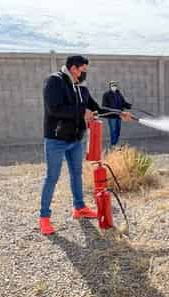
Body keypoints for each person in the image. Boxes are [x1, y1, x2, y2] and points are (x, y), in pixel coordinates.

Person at [40, 55, 133, 235]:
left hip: (75, 139)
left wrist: (119, 113)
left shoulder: (81, 88)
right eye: (83, 70)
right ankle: (44, 217)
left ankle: (79, 208)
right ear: (74, 68)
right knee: (52, 177)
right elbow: (55, 109)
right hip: (56, 139)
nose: (85, 74)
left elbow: (96, 108)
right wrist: (83, 112)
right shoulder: (54, 81)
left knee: (76, 174)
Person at [102, 81, 132, 146]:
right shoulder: (106, 94)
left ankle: (116, 143)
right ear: (110, 86)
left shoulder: (118, 94)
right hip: (112, 116)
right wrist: (113, 110)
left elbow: (123, 103)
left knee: (118, 130)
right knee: (113, 130)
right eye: (113, 85)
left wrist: (129, 106)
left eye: (115, 85)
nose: (114, 87)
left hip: (119, 116)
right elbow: (104, 106)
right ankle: (113, 145)